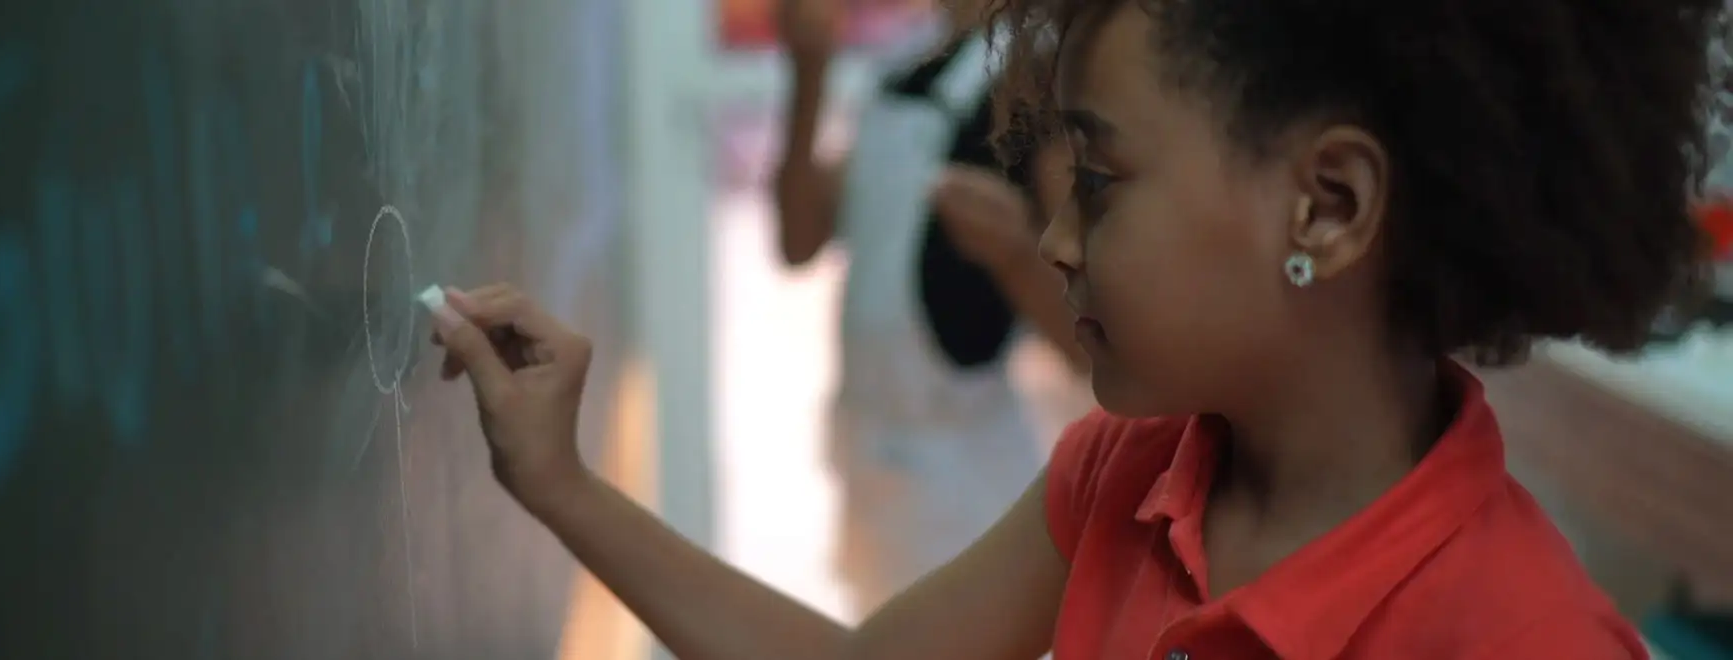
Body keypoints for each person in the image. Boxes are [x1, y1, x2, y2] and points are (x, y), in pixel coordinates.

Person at [426, 0, 1722, 656]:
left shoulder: (1515, 632)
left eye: (1098, 184)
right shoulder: (1128, 473)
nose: (1053, 239)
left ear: (1326, 206)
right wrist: (559, 484)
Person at [769, 0, 1085, 614]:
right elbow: (799, 239)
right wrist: (808, 70)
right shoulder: (900, 69)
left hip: (966, 484)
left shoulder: (1039, 80)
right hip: (869, 462)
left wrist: (1018, 255)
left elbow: (1093, 344)